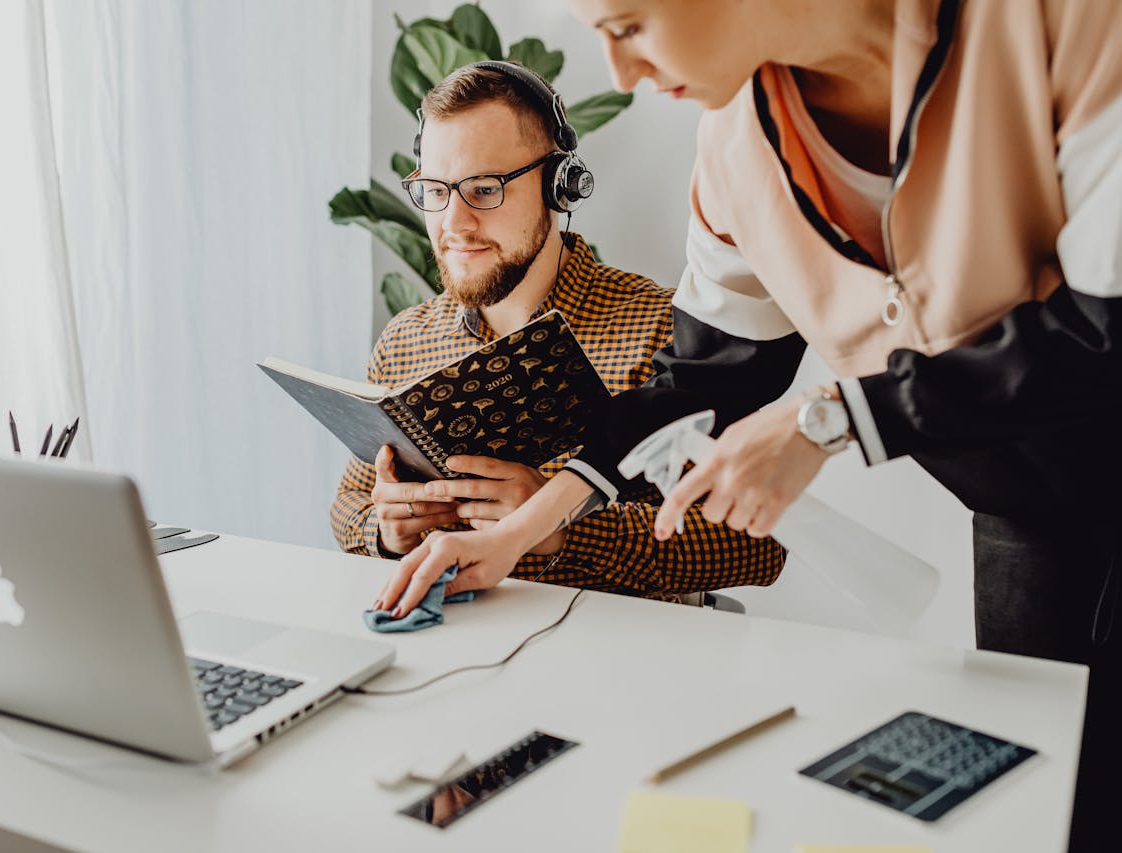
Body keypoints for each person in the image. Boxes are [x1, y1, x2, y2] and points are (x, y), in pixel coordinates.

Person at [374, 3, 1122, 848]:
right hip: (1026, 515)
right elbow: (705, 373)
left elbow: (1106, 333)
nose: (620, 74)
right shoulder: (734, 147)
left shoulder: (1064, 24)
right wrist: (519, 531)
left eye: (628, 26)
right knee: (1045, 810)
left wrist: (830, 418)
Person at [332, 61, 784, 602]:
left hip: (611, 668)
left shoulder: (669, 331)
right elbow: (348, 509)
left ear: (558, 184)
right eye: (434, 189)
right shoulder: (406, 340)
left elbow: (753, 545)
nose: (453, 223)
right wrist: (385, 531)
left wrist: (560, 528)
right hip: (454, 655)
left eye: (483, 188)